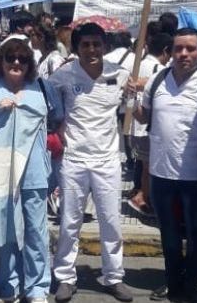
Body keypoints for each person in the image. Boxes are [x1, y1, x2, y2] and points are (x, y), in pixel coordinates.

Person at [48, 23, 133, 303]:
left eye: (96, 44)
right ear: (76, 48)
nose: (91, 50)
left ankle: (113, 277)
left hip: (108, 159)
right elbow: (49, 108)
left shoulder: (120, 75)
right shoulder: (62, 76)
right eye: (85, 44)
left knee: (111, 222)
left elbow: (134, 110)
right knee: (69, 223)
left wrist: (135, 91)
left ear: (104, 46)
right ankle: (65, 277)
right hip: (74, 159)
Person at [0, 39, 62, 303]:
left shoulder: (43, 88)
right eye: (10, 57)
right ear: (1, 61)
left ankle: (37, 288)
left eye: (22, 59)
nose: (16, 63)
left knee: (36, 231)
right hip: (1, 174)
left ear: (29, 64)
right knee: (7, 233)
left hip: (35, 172)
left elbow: (58, 121)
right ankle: (9, 286)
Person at [133, 29, 197, 303]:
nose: (184, 54)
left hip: (196, 175)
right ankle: (173, 282)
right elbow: (144, 116)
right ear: (171, 51)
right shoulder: (158, 79)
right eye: (178, 49)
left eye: (190, 49)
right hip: (161, 173)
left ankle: (192, 284)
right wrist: (130, 98)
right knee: (169, 235)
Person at [127, 31, 172, 217]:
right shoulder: (159, 70)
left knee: (145, 165)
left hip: (135, 124)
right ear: (166, 50)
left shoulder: (138, 64)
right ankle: (144, 199)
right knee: (149, 167)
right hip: (147, 125)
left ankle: (144, 197)